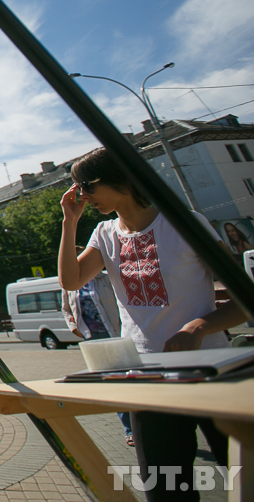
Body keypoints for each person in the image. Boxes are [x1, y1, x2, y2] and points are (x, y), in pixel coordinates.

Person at [58, 147, 249, 502]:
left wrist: (197, 328)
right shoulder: (104, 234)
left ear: (121, 179)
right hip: (145, 376)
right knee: (165, 486)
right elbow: (71, 280)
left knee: (244, 471)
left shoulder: (184, 223)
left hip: (211, 372)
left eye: (85, 185)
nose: (80, 195)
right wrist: (69, 223)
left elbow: (245, 300)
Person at [62, 272, 133, 446]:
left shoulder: (106, 277)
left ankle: (146, 422)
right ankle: (130, 430)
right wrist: (73, 326)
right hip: (92, 338)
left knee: (130, 380)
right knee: (112, 383)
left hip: (116, 334)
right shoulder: (69, 283)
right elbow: (65, 308)